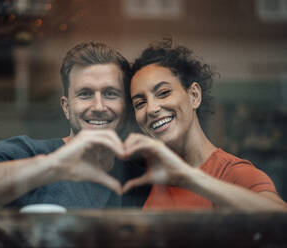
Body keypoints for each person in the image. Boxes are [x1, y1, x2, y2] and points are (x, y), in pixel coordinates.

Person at [0, 42, 150, 209]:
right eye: (85, 94)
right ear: (66, 107)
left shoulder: (139, 178)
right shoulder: (26, 152)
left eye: (110, 94)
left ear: (126, 106)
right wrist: (52, 166)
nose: (98, 106)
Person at [121, 41, 287, 211]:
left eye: (163, 93)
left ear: (194, 95)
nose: (152, 109)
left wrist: (191, 178)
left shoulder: (232, 171)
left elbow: (281, 217)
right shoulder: (147, 181)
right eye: (140, 103)